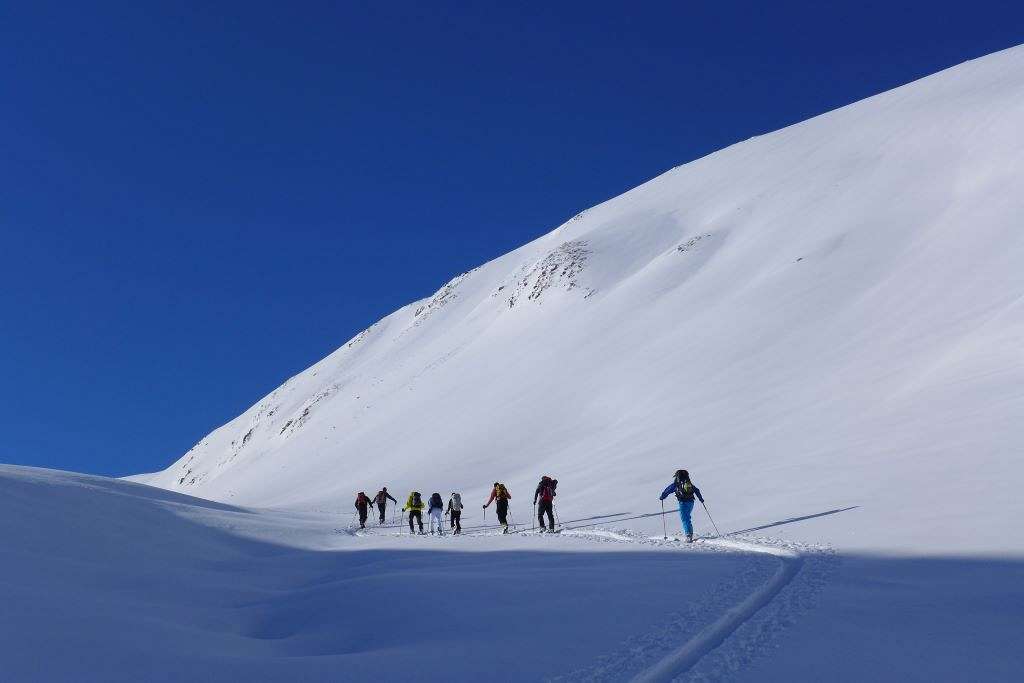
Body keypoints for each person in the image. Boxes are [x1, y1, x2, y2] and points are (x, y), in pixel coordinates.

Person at [659, 469, 704, 542]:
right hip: (691, 502)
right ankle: (690, 533)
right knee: (687, 517)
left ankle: (688, 535)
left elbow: (668, 490)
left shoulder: (676, 484)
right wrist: (701, 499)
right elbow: (697, 490)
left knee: (685, 519)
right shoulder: (689, 483)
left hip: (683, 503)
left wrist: (662, 497)